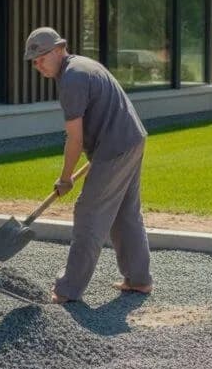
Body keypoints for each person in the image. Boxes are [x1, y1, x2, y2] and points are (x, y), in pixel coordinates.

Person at [24, 27, 153, 303]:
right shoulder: (82, 67)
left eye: (41, 57)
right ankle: (139, 279)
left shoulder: (72, 78)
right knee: (125, 212)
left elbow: (74, 138)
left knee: (89, 212)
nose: (38, 65)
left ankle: (67, 289)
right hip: (131, 139)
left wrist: (65, 177)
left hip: (116, 147)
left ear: (60, 49)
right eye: (33, 61)